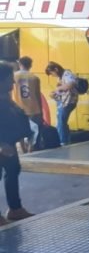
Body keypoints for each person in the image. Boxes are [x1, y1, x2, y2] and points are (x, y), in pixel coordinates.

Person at [0, 62, 34, 224]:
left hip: (9, 144)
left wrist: (22, 138)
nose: (13, 83)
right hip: (3, 145)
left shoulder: (6, 98)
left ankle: (15, 209)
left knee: (13, 171)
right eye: (9, 79)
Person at [45, 61, 78, 146]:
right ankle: (66, 140)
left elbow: (70, 84)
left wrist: (58, 89)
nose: (52, 76)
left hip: (68, 102)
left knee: (61, 121)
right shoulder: (61, 77)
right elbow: (61, 91)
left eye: (52, 73)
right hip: (63, 102)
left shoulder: (67, 74)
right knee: (61, 121)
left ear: (56, 69)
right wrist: (54, 94)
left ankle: (63, 141)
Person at [13, 56, 43, 127]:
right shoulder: (35, 78)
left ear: (19, 64)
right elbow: (38, 95)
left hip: (18, 108)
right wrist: (41, 111)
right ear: (30, 65)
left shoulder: (13, 76)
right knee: (34, 132)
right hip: (33, 109)